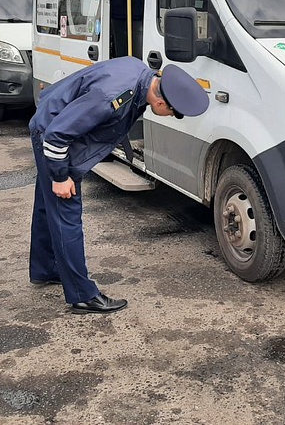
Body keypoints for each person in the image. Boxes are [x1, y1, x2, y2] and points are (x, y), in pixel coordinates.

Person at [28, 56, 209, 314]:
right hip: (52, 136)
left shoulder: (140, 74)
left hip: (54, 124)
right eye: (172, 112)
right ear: (160, 101)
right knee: (66, 214)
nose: (170, 116)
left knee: (48, 207)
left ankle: (46, 268)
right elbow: (57, 136)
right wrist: (60, 177)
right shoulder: (111, 97)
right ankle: (82, 296)